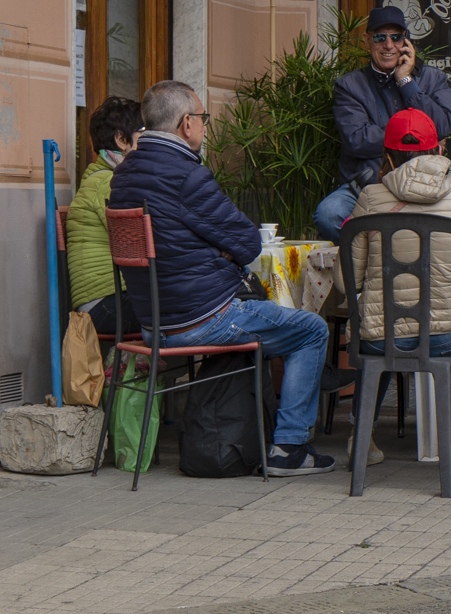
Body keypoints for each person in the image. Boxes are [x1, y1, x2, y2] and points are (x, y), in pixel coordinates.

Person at [108, 79, 336, 475]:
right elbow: (248, 244)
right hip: (201, 318)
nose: (204, 126)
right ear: (185, 124)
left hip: (153, 324)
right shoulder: (186, 176)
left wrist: (212, 247)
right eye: (202, 118)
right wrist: (221, 248)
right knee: (311, 330)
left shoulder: (124, 175)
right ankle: (289, 448)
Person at [347, 108, 451, 471]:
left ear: (387, 158)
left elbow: (347, 283)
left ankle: (362, 438)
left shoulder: (370, 199)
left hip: (380, 336)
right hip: (450, 339)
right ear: (441, 151)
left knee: (381, 332)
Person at [313, 4, 451, 241]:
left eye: (396, 37)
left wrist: (406, 83)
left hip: (425, 185)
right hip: (368, 186)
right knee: (329, 214)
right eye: (380, 37)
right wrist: (417, 136)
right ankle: (371, 260)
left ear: (406, 41)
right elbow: (356, 140)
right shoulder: (349, 86)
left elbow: (442, 126)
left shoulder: (433, 78)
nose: (388, 45)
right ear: (367, 41)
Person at [67, 95, 143, 338]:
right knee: (198, 305)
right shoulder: (108, 182)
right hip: (104, 305)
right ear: (122, 139)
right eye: (144, 132)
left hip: (110, 300)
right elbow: (141, 239)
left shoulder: (111, 177)